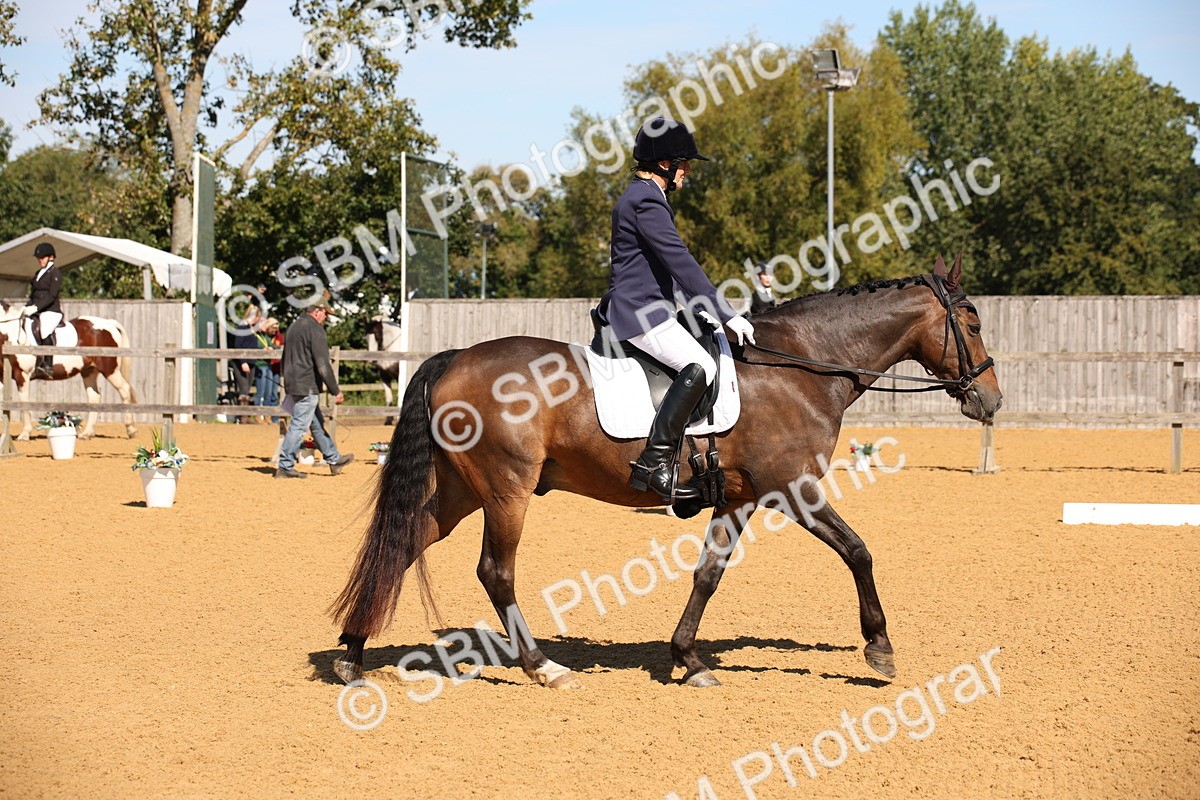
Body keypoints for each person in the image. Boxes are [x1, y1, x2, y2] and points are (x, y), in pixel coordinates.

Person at [597, 117, 755, 503]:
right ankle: (654, 461)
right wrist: (726, 313)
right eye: (684, 163)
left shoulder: (641, 196)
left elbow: (656, 269)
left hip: (651, 307)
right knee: (702, 366)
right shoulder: (646, 199)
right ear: (665, 163)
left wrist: (690, 309)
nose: (687, 171)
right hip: (639, 313)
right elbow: (679, 261)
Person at [275, 299, 354, 479]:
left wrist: (287, 381)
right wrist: (335, 390)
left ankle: (334, 459)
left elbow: (285, 357)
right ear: (317, 311)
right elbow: (322, 364)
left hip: (293, 383)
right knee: (299, 425)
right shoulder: (315, 329)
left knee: (316, 423)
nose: (326, 317)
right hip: (307, 384)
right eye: (325, 313)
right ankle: (285, 465)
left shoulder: (293, 327)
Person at [24, 242, 63, 379]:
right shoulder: (38, 274)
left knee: (45, 328)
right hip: (38, 309)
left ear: (51, 257)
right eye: (38, 258)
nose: (39, 260)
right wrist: (26, 307)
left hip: (51, 310)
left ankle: (48, 365)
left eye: (42, 257)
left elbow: (52, 296)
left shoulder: (55, 273)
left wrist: (36, 307)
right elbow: (33, 295)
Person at [230, 305, 261, 418]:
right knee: (243, 388)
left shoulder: (251, 329)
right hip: (242, 363)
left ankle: (244, 416)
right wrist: (243, 361)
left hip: (251, 362)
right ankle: (243, 417)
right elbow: (238, 345)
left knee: (247, 388)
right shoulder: (242, 328)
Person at [252, 316, 281, 421]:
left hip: (268, 365)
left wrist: (271, 348)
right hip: (260, 364)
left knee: (268, 392)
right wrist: (262, 350)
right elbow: (253, 347)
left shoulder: (265, 337)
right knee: (261, 392)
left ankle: (267, 415)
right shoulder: (255, 336)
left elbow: (274, 346)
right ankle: (258, 415)